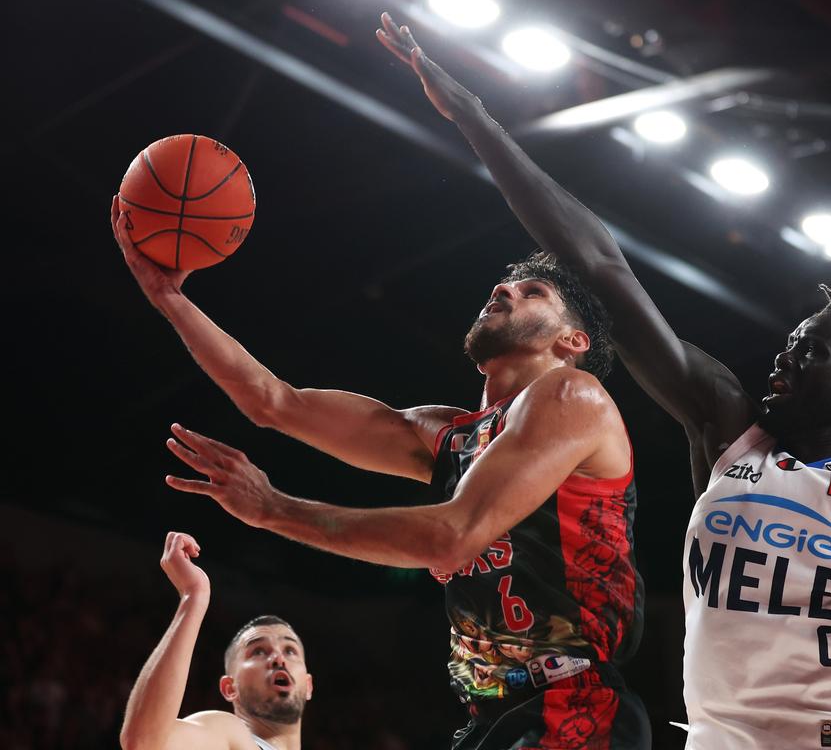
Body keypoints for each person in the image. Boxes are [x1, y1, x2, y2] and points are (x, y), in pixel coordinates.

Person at [372, 12, 831, 749]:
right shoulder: (727, 428)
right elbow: (601, 267)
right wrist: (476, 115)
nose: (782, 359)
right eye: (788, 344)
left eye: (810, 352)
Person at [111, 195, 650, 743]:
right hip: (489, 718)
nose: (504, 289)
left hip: (574, 707)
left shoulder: (573, 394)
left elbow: (451, 537)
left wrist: (273, 508)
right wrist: (168, 297)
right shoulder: (448, 433)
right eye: (505, 285)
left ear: (572, 341)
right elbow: (273, 402)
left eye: (534, 293)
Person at [120, 531, 312, 750]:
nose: (278, 657)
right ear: (230, 688)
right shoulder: (231, 734)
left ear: (308, 685)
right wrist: (194, 595)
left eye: (290, 650)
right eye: (258, 651)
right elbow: (144, 742)